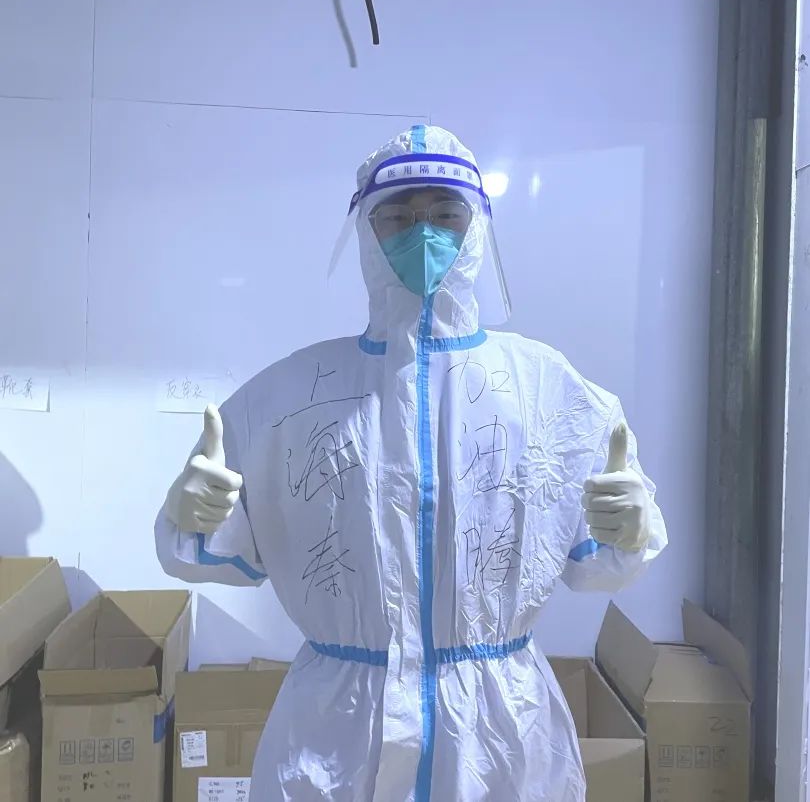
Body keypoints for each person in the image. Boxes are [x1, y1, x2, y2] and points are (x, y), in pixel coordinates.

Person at [155, 125, 667, 801]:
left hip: (498, 737)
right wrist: (190, 518)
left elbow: (600, 564)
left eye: (445, 215)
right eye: (397, 217)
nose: (423, 235)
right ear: (366, 232)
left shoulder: (548, 391)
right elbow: (208, 554)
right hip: (339, 732)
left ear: (476, 228)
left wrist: (629, 530)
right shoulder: (285, 399)